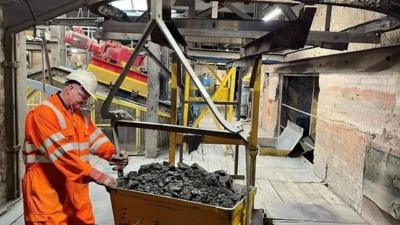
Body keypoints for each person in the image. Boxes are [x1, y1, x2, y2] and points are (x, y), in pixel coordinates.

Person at [22, 70, 124, 225]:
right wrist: (99, 176)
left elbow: (96, 139)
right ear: (70, 89)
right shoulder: (43, 114)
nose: (85, 101)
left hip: (75, 192)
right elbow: (63, 156)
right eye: (83, 96)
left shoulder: (79, 116)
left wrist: (113, 154)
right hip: (47, 192)